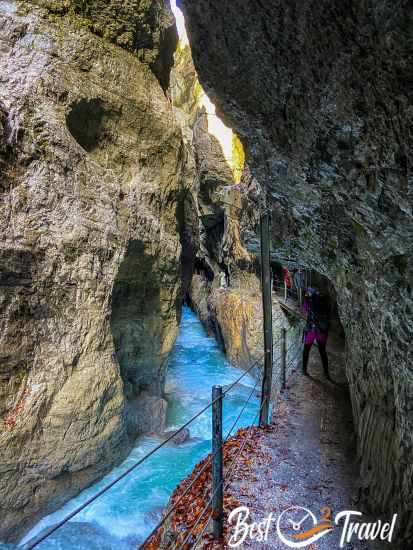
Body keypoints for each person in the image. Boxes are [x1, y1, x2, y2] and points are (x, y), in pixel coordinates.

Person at [302, 289, 331, 380]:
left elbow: (304, 308)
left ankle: (304, 370)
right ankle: (326, 372)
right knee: (322, 352)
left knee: (306, 350)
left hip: (311, 329)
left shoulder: (309, 302)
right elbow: (329, 314)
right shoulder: (326, 303)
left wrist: (306, 298)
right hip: (322, 331)